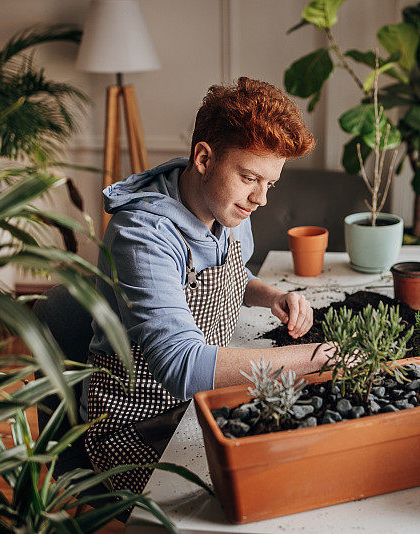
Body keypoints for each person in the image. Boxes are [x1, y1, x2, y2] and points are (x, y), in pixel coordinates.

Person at [83, 77, 329, 493]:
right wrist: (315, 359)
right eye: (250, 177)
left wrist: (271, 296)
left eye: (270, 184)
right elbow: (181, 365)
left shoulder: (228, 208)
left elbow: (232, 274)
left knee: (301, 463)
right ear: (203, 158)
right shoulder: (143, 236)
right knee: (246, 495)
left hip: (202, 402)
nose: (260, 200)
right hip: (139, 427)